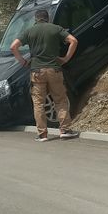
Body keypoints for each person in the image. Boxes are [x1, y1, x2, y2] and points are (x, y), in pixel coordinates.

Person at [10, 9, 79, 142]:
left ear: (36, 19)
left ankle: (42, 134)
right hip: (54, 70)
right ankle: (65, 130)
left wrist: (23, 61)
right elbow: (73, 41)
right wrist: (65, 58)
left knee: (38, 103)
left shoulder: (29, 31)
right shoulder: (55, 29)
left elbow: (13, 47)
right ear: (47, 18)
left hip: (36, 71)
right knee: (60, 100)